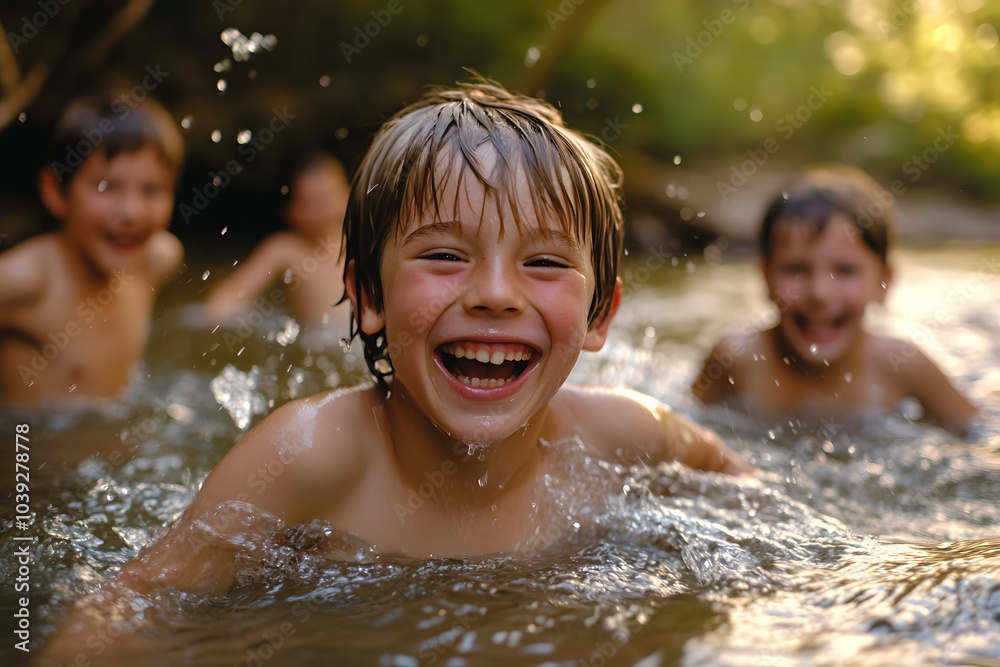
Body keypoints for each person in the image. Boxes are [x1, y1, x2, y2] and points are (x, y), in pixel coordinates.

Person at [40, 81, 749, 661]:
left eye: (543, 261)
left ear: (599, 314)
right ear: (369, 294)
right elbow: (129, 606)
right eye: (444, 255)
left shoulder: (627, 434)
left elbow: (754, 500)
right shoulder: (311, 457)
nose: (495, 294)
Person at [691, 163, 978, 434]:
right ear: (765, 277)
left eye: (845, 270)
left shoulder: (903, 366)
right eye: (795, 269)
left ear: (884, 282)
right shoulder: (736, 359)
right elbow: (682, 432)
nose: (820, 292)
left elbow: (979, 435)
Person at [0, 91, 184, 406]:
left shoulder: (157, 261)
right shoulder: (27, 281)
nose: (132, 212)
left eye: (152, 190)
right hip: (30, 436)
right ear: (55, 190)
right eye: (106, 187)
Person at [201, 151, 350, 331]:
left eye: (327, 198)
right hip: (317, 340)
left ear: (349, 195)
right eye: (312, 202)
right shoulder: (286, 249)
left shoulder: (360, 242)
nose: (322, 210)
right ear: (290, 210)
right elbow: (225, 299)